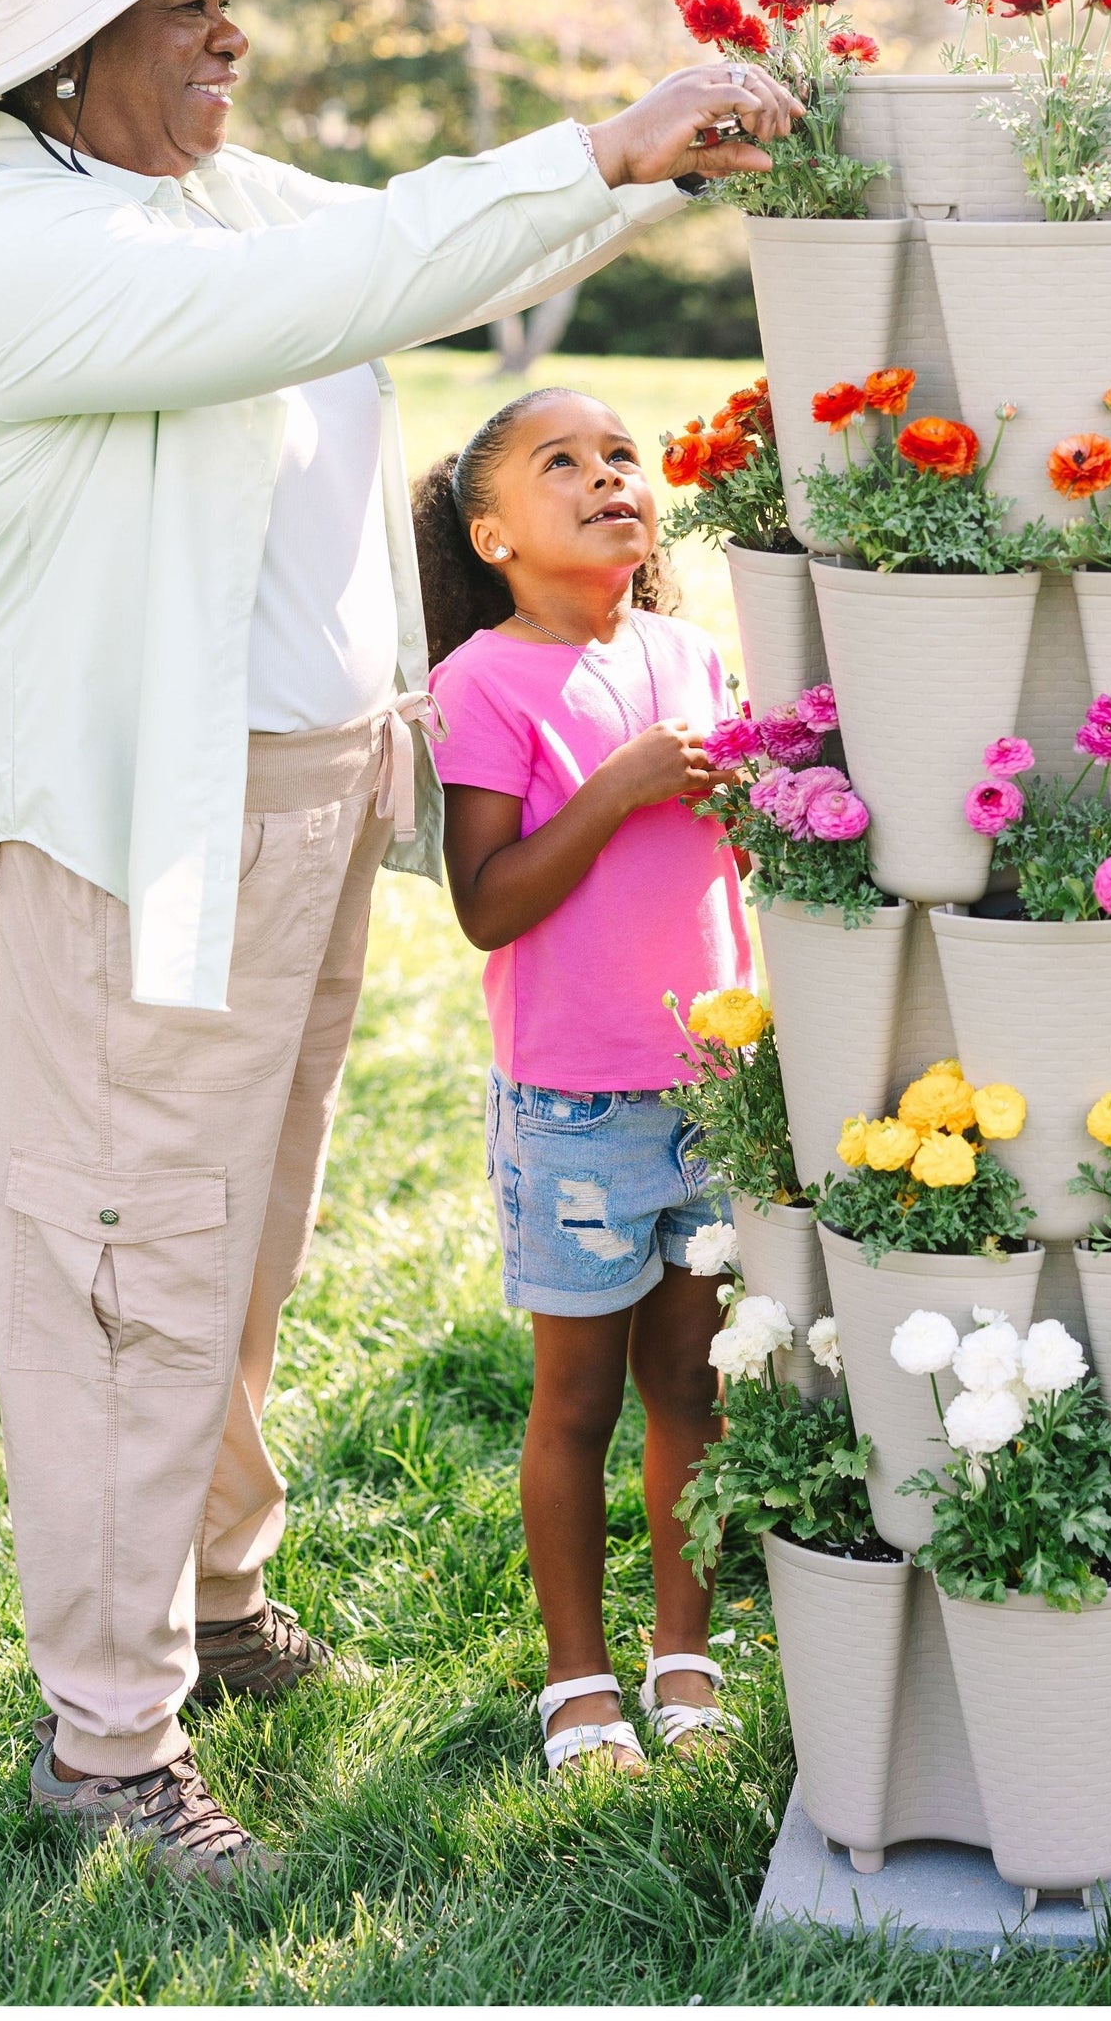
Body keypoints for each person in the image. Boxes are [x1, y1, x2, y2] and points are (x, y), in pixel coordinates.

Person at [0, 0, 798, 1882]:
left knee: (236, 1238)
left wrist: (679, 159)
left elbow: (430, 251)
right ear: (63, 63)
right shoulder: (13, 255)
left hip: (292, 803)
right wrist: (607, 138)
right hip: (110, 838)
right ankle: (106, 1742)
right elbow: (337, 287)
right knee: (127, 1270)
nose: (232, 33)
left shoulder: (204, 195)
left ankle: (208, 1602)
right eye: (184, 8)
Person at [415, 384, 752, 1775]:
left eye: (623, 455)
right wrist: (614, 787)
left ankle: (686, 1648)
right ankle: (579, 1676)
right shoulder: (482, 683)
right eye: (563, 463)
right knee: (579, 1403)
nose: (610, 475)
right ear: (493, 533)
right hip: (576, 1108)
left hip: (715, 1090)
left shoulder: (694, 657)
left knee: (694, 1383)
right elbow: (487, 903)